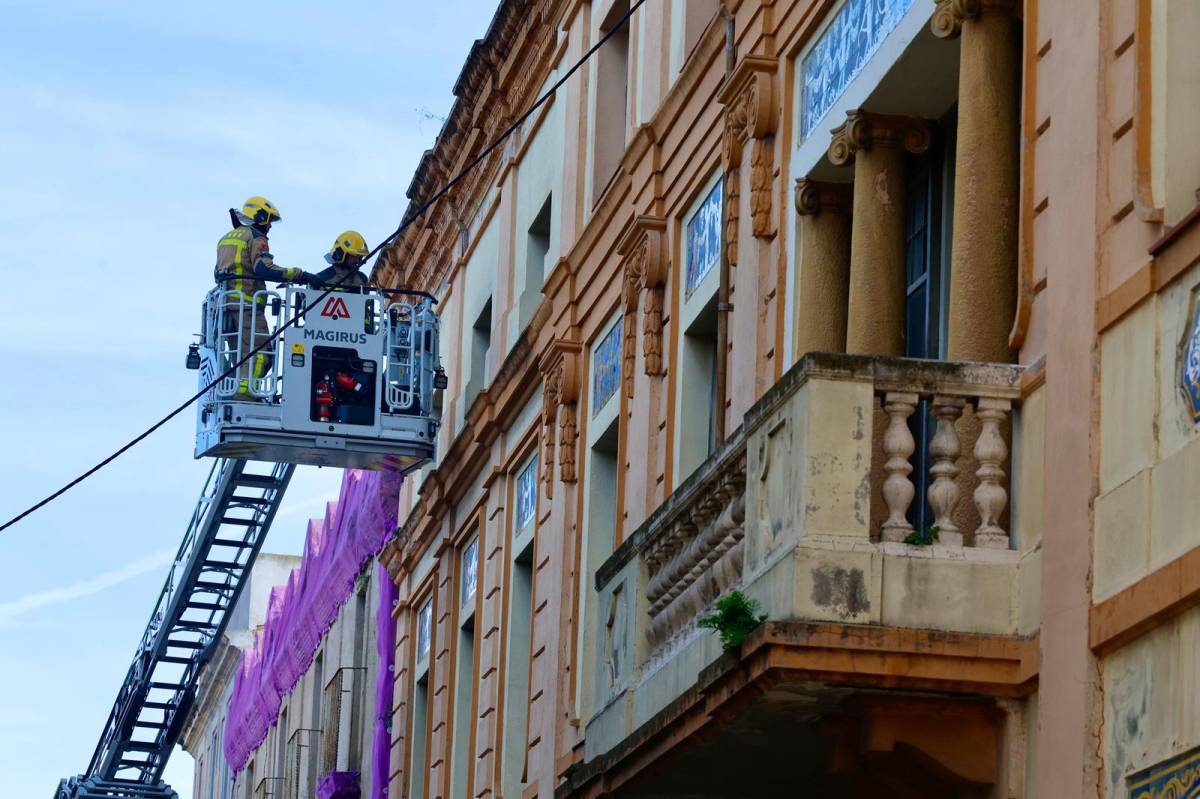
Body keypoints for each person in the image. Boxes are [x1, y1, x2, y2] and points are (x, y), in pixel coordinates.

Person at [214, 196, 318, 398]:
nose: (269, 225)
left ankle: (237, 393)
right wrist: (299, 274)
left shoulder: (226, 237)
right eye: (268, 219)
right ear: (258, 216)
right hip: (247, 306)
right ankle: (245, 397)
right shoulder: (256, 237)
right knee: (262, 354)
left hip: (225, 305)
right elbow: (263, 268)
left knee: (241, 357)